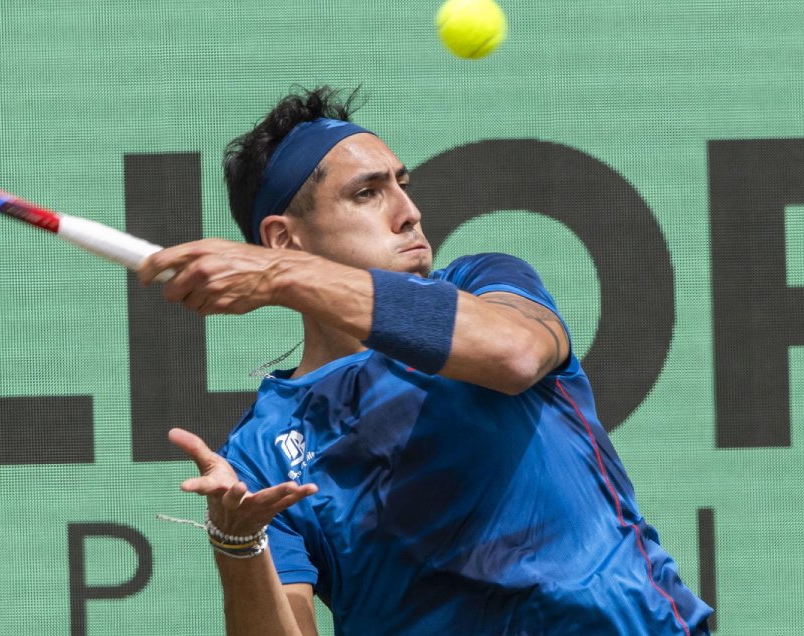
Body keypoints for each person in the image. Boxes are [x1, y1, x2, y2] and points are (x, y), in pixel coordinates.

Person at [137, 87, 713, 636]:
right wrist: (239, 547)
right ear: (284, 238)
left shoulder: (483, 285)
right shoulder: (263, 449)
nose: (409, 212)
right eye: (368, 193)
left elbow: (516, 353)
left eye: (402, 185)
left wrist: (280, 277)